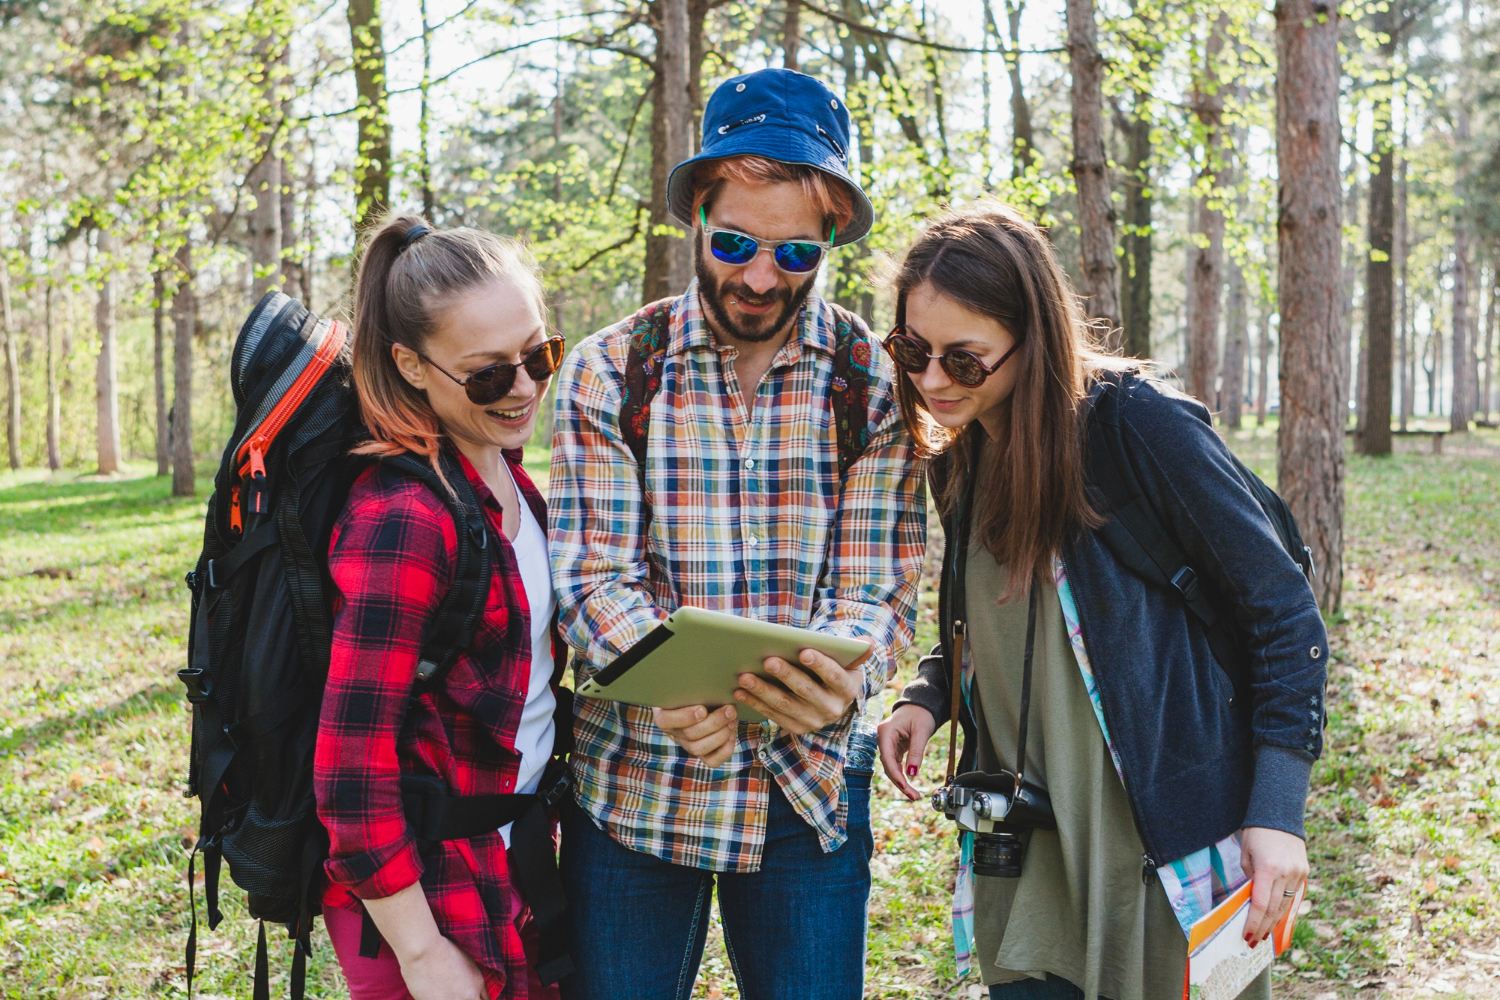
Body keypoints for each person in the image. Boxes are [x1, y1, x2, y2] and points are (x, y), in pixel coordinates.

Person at [875, 204, 1327, 1000]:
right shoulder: (962, 451)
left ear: (1032, 339)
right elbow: (1000, 612)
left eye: (966, 360)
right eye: (913, 351)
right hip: (1028, 853)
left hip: (1171, 850)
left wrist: (1279, 810)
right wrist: (929, 695)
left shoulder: (1136, 426)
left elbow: (1283, 612)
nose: (933, 381)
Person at [548, 68, 926, 1000]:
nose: (760, 277)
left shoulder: (871, 382)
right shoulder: (610, 369)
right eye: (735, 244)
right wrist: (668, 685)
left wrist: (843, 679)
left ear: (832, 237)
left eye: (796, 255)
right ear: (696, 222)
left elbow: (880, 587)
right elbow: (594, 577)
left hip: (807, 788)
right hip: (638, 783)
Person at [314, 216, 569, 1000]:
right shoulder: (405, 520)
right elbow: (350, 770)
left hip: (509, 867)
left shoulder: (514, 486)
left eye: (537, 355)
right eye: (489, 375)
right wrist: (421, 953)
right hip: (423, 900)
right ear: (412, 367)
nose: (523, 387)